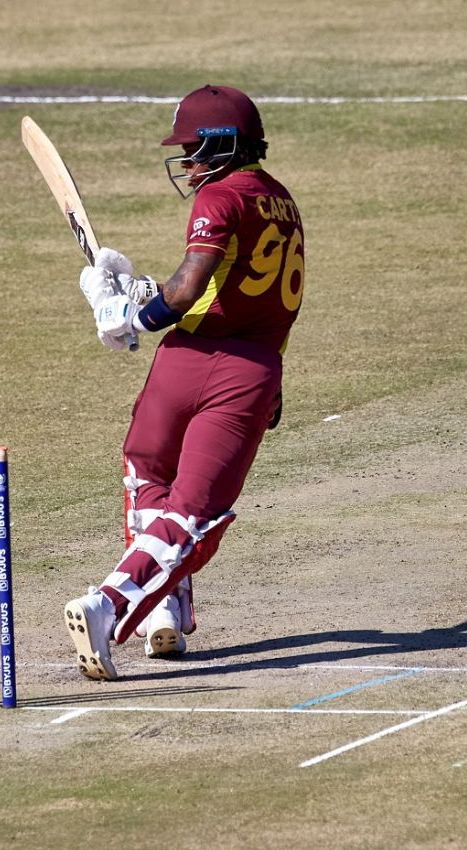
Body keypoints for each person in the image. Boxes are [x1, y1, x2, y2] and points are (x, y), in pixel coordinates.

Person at [66, 85, 305, 680]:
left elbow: (189, 289)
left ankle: (159, 604)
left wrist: (127, 316)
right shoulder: (282, 201)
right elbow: (253, 292)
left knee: (147, 476)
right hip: (246, 369)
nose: (189, 162)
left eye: (195, 148)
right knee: (194, 514)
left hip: (185, 361)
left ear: (226, 145)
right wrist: (140, 292)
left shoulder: (218, 199)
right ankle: (113, 605)